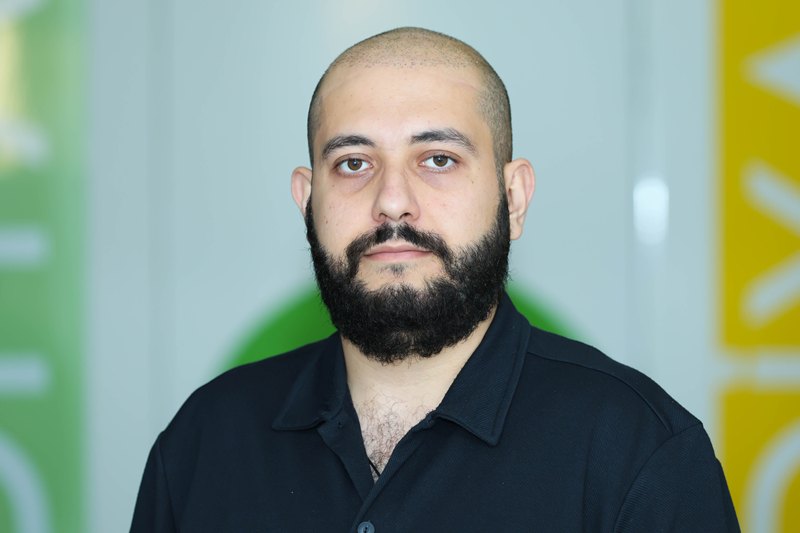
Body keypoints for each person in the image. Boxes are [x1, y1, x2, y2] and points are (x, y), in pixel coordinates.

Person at [131, 27, 739, 532]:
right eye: (353, 163)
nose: (393, 202)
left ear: (513, 198)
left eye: (438, 159)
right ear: (307, 201)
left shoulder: (638, 453)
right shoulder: (204, 441)